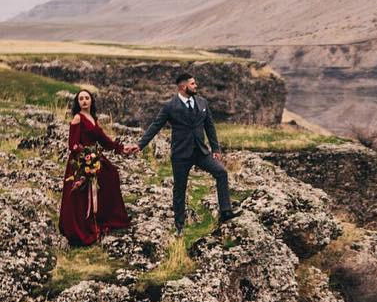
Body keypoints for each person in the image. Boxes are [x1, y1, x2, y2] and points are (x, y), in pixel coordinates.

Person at [136, 71, 244, 232]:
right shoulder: (170, 106)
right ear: (183, 86)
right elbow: (155, 126)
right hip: (181, 155)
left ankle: (226, 211)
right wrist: (139, 146)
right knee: (180, 189)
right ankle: (179, 225)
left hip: (201, 152)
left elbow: (210, 126)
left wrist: (215, 148)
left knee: (221, 172)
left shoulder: (202, 103)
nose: (196, 85)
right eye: (193, 83)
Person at [59, 88, 135, 247]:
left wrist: (120, 148)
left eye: (87, 98)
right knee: (80, 193)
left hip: (94, 156)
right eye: (81, 99)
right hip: (80, 160)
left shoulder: (93, 118)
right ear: (78, 102)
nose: (84, 101)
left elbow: (103, 140)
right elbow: (72, 144)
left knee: (111, 174)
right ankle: (83, 228)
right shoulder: (77, 118)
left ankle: (106, 218)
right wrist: (86, 156)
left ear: (91, 100)